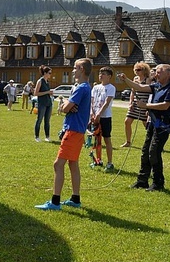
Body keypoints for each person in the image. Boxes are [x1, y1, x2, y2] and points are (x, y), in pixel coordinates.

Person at [35, 58, 93, 210]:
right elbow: (70, 106)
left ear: (81, 69)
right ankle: (75, 198)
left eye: (75, 68)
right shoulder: (85, 87)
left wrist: (63, 105)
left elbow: (66, 108)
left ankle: (55, 202)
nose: (73, 70)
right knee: (73, 163)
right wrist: (67, 104)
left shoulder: (81, 88)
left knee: (58, 164)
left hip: (73, 131)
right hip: (77, 131)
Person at [118, 64, 170, 191]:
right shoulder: (157, 86)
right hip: (153, 123)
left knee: (154, 153)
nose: (156, 74)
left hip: (164, 125)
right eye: (156, 72)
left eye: (159, 72)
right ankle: (142, 181)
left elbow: (165, 105)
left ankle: (158, 183)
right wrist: (126, 79)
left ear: (168, 74)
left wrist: (146, 105)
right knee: (145, 151)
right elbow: (139, 87)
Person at [90, 66, 116, 171]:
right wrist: (92, 113)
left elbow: (107, 102)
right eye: (100, 74)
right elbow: (92, 100)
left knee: (107, 139)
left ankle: (110, 162)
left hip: (105, 117)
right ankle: (98, 160)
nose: (101, 75)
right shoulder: (95, 87)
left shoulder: (111, 88)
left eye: (103, 74)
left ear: (109, 76)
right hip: (94, 116)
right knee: (97, 139)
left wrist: (99, 114)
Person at [121, 62, 152, 148]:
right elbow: (133, 91)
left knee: (146, 124)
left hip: (144, 104)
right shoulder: (135, 79)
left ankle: (152, 141)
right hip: (135, 103)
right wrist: (131, 102)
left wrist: (147, 106)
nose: (137, 71)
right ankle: (128, 141)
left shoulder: (148, 79)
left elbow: (150, 91)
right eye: (136, 69)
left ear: (144, 70)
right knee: (127, 121)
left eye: (139, 70)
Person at [33, 65, 54, 142]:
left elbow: (46, 93)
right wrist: (47, 92)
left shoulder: (47, 82)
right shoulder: (40, 81)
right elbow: (36, 93)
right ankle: (37, 136)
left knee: (47, 121)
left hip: (49, 103)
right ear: (45, 73)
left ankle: (47, 136)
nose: (50, 74)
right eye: (49, 73)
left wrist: (49, 93)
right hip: (42, 103)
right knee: (39, 120)